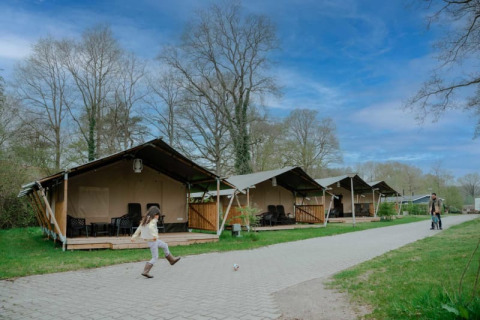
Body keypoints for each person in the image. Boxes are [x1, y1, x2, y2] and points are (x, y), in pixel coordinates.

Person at [131, 206, 181, 278]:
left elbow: (139, 229)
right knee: (155, 257)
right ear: (154, 214)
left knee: (165, 245)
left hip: (153, 240)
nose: (158, 217)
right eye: (158, 215)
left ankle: (171, 260)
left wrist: (134, 237)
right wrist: (155, 235)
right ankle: (145, 271)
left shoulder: (145, 220)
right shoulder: (152, 220)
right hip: (153, 240)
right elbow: (151, 228)